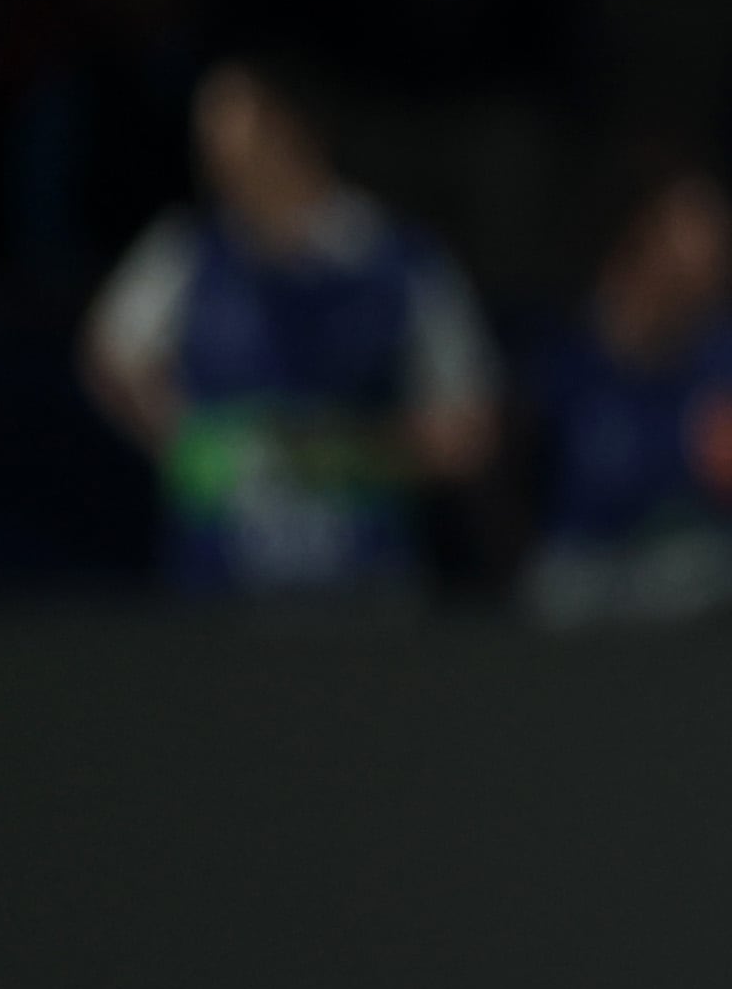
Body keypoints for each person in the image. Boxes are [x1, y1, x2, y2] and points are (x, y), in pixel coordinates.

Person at [78, 61, 500, 595]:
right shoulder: (184, 252)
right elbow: (109, 359)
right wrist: (186, 441)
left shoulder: (401, 263)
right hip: (218, 582)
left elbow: (471, 425)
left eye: (237, 136)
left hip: (361, 580)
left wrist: (355, 454)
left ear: (291, 130)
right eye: (208, 140)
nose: (218, 161)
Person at [520, 168, 732, 622]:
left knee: (702, 571)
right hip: (591, 560)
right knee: (556, 586)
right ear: (649, 245)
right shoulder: (583, 344)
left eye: (722, 245)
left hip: (699, 554)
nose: (713, 261)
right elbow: (563, 469)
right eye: (694, 241)